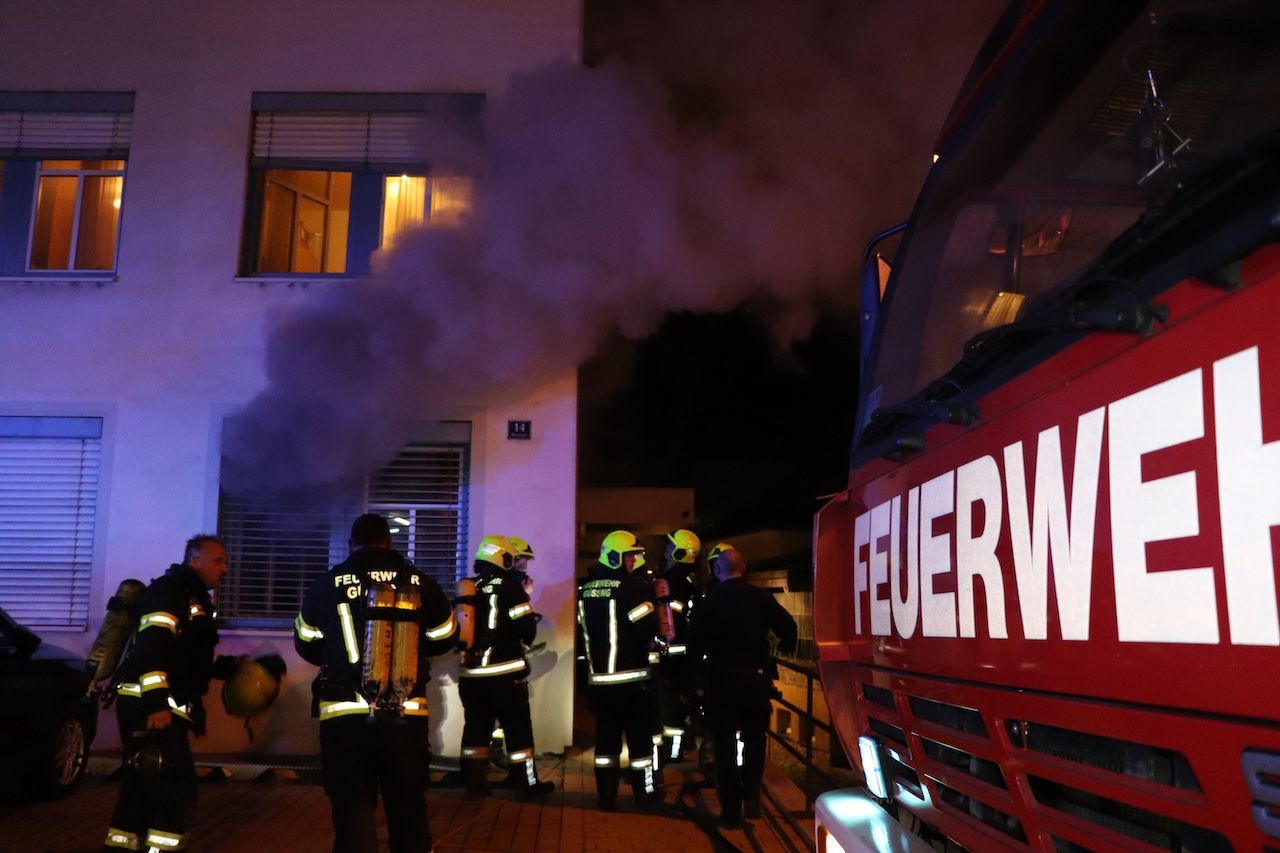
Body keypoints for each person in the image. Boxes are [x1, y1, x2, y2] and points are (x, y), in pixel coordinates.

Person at [294, 513, 457, 853]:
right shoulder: (419, 582)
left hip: (344, 716)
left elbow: (305, 642)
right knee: (407, 805)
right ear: (390, 542)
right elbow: (444, 636)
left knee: (353, 808)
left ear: (351, 545)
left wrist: (337, 657)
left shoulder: (328, 582)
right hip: (404, 714)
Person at [103, 535, 236, 853]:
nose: (225, 568)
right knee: (174, 787)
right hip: (150, 708)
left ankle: (121, 847)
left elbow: (184, 654)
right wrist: (156, 703)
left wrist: (224, 668)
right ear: (196, 560)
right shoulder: (170, 592)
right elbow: (151, 651)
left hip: (158, 706)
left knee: (142, 785)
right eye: (218, 560)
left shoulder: (193, 597)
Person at [689, 546, 797, 829]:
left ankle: (729, 809)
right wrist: (783, 648)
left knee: (724, 744)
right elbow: (789, 628)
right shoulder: (760, 598)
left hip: (721, 680)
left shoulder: (709, 602)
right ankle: (752, 797)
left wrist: (696, 683)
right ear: (743, 568)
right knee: (755, 739)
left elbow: (694, 645)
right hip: (756, 680)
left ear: (717, 570)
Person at [457, 534, 555, 800]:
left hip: (471, 677)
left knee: (476, 729)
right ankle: (526, 785)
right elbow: (526, 631)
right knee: (518, 731)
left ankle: (474, 783)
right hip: (505, 676)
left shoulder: (470, 587)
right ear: (504, 558)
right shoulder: (511, 586)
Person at [577, 530, 662, 811]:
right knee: (639, 743)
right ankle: (644, 794)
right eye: (630, 555)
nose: (634, 561)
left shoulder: (585, 588)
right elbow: (648, 630)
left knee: (605, 743)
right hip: (632, 680)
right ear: (614, 556)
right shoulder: (632, 588)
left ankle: (606, 796)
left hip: (600, 682)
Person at [654, 529, 701, 765]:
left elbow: (667, 620)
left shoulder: (671, 582)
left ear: (679, 552)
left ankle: (672, 754)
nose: (665, 550)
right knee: (681, 705)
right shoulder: (692, 579)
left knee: (670, 708)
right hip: (687, 657)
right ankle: (685, 743)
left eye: (669, 546)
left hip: (671, 659)